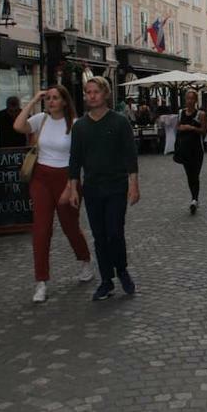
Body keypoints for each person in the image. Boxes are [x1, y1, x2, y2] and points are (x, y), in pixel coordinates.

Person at [13, 86, 95, 304]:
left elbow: (81, 158)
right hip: (40, 177)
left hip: (67, 178)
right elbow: (18, 126)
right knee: (41, 228)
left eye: (55, 98)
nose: (50, 102)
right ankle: (41, 281)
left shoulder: (76, 125)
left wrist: (72, 185)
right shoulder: (41, 119)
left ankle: (85, 260)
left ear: (65, 102)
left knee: (70, 226)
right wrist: (33, 100)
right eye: (47, 98)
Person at [68, 76, 139, 301]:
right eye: (88, 92)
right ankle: (106, 280)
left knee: (114, 233)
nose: (91, 96)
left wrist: (133, 185)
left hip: (116, 186)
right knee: (99, 236)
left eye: (95, 92)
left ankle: (122, 270)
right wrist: (72, 188)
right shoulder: (80, 126)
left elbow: (130, 156)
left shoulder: (119, 122)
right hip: (92, 189)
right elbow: (74, 160)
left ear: (105, 94)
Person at [175, 89, 207, 214]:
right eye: (187, 98)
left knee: (195, 174)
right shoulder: (180, 112)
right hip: (184, 149)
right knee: (189, 175)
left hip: (197, 149)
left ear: (195, 100)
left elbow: (204, 131)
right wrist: (180, 128)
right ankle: (194, 198)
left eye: (192, 98)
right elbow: (177, 126)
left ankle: (195, 199)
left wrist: (192, 128)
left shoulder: (201, 114)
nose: (189, 101)